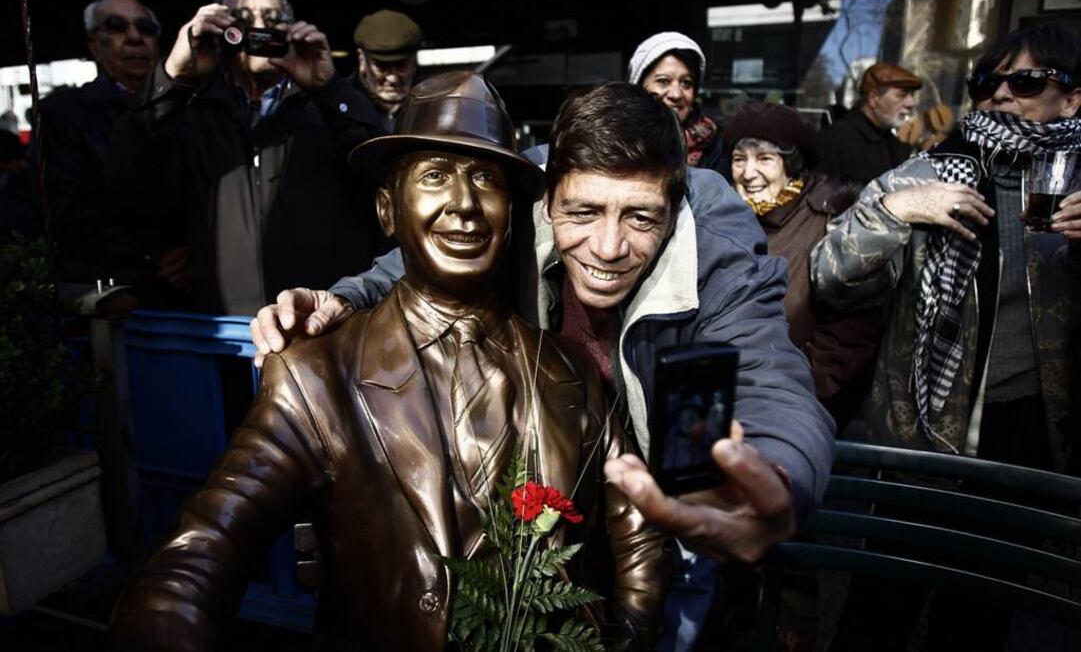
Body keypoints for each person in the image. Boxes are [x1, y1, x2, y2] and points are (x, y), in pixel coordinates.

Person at [108, 71, 666, 650]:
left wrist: (624, 636)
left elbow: (639, 534)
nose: (465, 205)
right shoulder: (316, 375)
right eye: (434, 177)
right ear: (387, 209)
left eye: (486, 179)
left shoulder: (568, 368)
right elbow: (203, 546)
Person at [251, 82, 834, 559]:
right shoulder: (518, 209)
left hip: (676, 525)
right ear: (548, 202)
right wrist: (344, 300)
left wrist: (774, 472)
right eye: (582, 212)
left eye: (639, 217)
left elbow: (769, 376)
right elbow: (409, 259)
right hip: (550, 523)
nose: (607, 247)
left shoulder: (715, 249)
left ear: (673, 207)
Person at [811, 22, 1081, 650]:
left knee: (979, 615)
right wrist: (893, 212)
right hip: (923, 435)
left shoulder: (1073, 184)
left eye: (1028, 81)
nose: (1002, 96)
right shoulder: (926, 172)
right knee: (879, 611)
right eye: (989, 82)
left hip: (1028, 439)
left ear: (1071, 98)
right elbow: (829, 277)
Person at [110, 0, 385, 314]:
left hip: (322, 322)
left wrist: (329, 89)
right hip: (227, 332)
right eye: (240, 19)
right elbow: (127, 179)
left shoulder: (326, 105)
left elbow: (381, 174)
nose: (258, 28)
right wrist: (174, 78)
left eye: (272, 19)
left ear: (293, 30)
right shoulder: (193, 112)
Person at [724, 100, 879, 425]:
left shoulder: (831, 217)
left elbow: (851, 331)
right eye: (739, 159)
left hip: (793, 406)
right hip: (729, 399)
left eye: (765, 158)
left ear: (792, 164)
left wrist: (802, 387)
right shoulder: (724, 216)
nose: (748, 173)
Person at [31, 0, 161, 282]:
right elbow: (64, 214)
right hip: (111, 285)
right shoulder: (64, 114)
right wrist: (152, 256)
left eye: (146, 28)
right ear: (94, 45)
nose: (134, 37)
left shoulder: (191, 107)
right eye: (116, 26)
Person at [628, 32, 727, 174]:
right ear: (638, 85)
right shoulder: (617, 139)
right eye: (663, 81)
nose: (676, 94)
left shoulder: (714, 145)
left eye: (686, 83)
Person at [817, 62, 923, 186]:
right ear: (873, 98)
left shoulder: (896, 145)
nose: (911, 103)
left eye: (912, 95)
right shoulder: (835, 139)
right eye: (901, 95)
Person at [352, 9, 422, 133]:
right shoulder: (340, 103)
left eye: (402, 65)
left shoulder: (429, 103)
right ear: (362, 59)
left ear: (414, 61)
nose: (392, 78)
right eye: (381, 66)